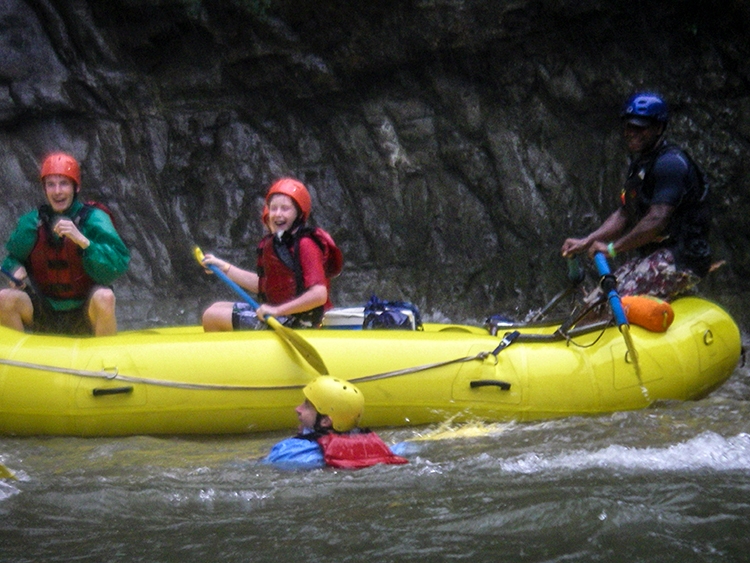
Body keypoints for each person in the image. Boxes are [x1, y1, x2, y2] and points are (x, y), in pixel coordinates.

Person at [561, 92, 711, 301]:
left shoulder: (671, 164)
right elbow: (624, 213)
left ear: (659, 128)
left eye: (640, 127)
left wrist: (612, 248)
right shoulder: (641, 164)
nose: (631, 132)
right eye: (628, 126)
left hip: (682, 257)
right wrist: (587, 241)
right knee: (596, 300)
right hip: (654, 255)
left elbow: (657, 220)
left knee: (615, 302)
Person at [0, 152, 130, 336]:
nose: (57, 191)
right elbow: (11, 260)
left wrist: (84, 242)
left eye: (64, 184)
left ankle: (105, 359)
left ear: (75, 188)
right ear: (44, 189)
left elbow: (117, 266)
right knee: (4, 298)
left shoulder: (94, 219)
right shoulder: (32, 222)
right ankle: (16, 360)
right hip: (45, 309)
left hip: (85, 311)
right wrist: (14, 270)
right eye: (50, 185)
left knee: (105, 297)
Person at [201, 178, 342, 331]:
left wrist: (277, 311)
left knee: (211, 316)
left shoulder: (306, 244)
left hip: (301, 322)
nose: (277, 214)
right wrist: (225, 269)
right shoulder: (276, 243)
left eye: (285, 208)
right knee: (217, 306)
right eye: (273, 208)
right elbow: (265, 286)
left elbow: (319, 294)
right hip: (282, 315)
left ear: (298, 213)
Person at [263, 376, 408, 470]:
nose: (298, 409)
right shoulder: (389, 449)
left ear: (325, 421)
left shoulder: (287, 450)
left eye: (307, 406)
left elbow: (267, 467)